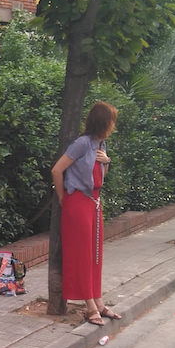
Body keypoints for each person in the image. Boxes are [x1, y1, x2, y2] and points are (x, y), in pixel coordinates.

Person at [51, 101, 119, 326]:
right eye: (111, 120)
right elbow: (57, 170)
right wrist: (63, 198)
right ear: (103, 122)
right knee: (81, 254)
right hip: (78, 202)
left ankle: (98, 301)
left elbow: (100, 173)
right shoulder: (82, 143)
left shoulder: (102, 145)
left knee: (95, 254)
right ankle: (89, 306)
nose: (113, 125)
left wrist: (106, 161)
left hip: (93, 202)